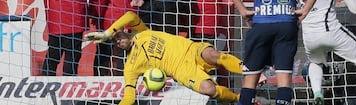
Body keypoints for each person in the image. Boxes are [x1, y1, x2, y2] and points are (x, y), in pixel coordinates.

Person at [84, 11, 243, 105]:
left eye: (117, 36)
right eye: (114, 42)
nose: (118, 41)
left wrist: (107, 33)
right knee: (209, 90)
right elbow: (129, 97)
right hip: (181, 71)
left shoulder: (141, 31)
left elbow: (130, 15)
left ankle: (247, 69)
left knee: (212, 55)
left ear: (123, 31)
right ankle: (238, 99)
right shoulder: (130, 67)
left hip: (189, 49)